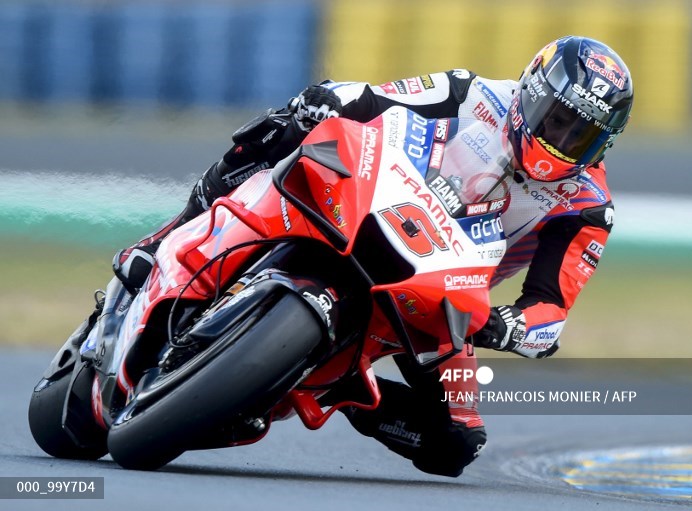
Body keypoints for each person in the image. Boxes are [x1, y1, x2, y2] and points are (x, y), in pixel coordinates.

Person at [113, 35, 633, 477]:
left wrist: (506, 327)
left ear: (604, 145)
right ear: (531, 95)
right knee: (285, 125)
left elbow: (549, 310)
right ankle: (167, 237)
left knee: (455, 444)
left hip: (438, 295)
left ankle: (342, 390)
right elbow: (373, 98)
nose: (561, 141)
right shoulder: (471, 92)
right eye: (557, 120)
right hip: (373, 203)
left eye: (581, 137)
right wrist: (328, 101)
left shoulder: (588, 208)